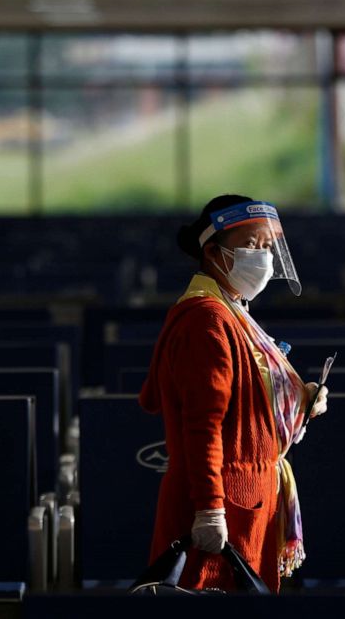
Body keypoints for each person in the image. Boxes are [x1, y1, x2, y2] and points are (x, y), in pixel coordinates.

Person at [139, 194, 328, 592]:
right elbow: (203, 425)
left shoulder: (233, 311)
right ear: (213, 252)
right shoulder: (207, 320)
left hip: (248, 501)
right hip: (219, 506)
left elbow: (247, 403)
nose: (262, 257)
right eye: (250, 245)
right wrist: (210, 509)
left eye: (266, 246)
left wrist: (299, 402)